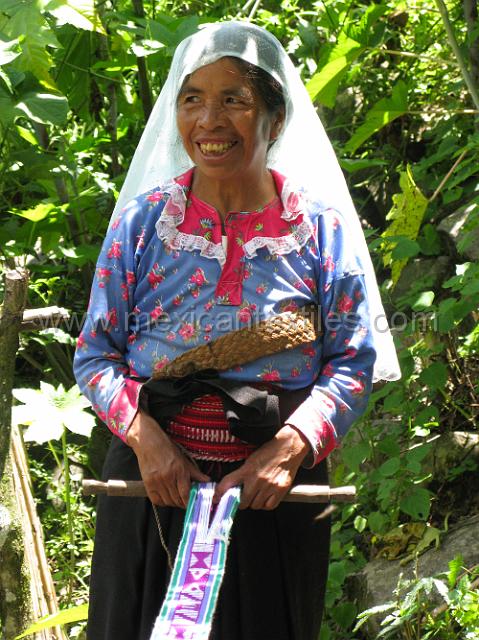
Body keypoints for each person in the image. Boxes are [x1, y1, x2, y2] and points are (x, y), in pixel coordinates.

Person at [74, 20, 400, 640]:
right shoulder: (144, 224)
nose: (209, 120)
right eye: (192, 98)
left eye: (234, 100)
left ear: (276, 120)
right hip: (150, 484)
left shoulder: (320, 232)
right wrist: (148, 443)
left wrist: (288, 451)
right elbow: (96, 354)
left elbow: (354, 360)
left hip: (275, 492)